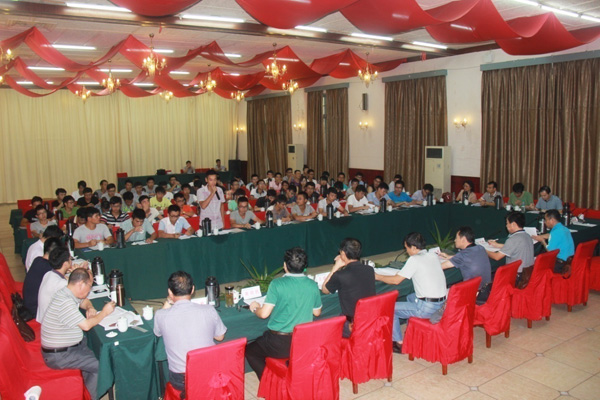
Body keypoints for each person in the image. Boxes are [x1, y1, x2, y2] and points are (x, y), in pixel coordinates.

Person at [245, 247, 322, 379]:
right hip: (303, 341)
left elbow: (264, 314)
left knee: (250, 351)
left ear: (285, 266)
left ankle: (268, 382)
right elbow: (317, 312)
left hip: (279, 343)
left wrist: (255, 308)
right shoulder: (312, 284)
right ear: (305, 266)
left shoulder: (277, 284)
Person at [41, 267, 115, 400]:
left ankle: (85, 390)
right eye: (89, 286)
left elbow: (83, 301)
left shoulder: (66, 292)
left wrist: (90, 307)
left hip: (66, 348)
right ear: (81, 284)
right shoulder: (65, 302)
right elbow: (86, 326)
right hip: (59, 355)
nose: (89, 291)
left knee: (97, 355)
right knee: (101, 366)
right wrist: (104, 312)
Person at [154, 271, 226, 398]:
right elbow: (220, 337)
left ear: (170, 292)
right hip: (209, 373)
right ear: (192, 289)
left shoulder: (160, 315)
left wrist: (168, 302)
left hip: (180, 379)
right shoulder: (209, 310)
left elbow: (157, 332)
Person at [375, 232, 447, 353]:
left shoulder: (414, 259)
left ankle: (398, 343)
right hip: (441, 304)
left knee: (389, 308)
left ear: (413, 247)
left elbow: (396, 280)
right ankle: (413, 331)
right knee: (409, 297)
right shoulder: (432, 255)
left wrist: (377, 276)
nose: (406, 251)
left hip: (427, 307)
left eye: (407, 248)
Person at [322, 238, 375, 337]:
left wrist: (336, 267)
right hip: (370, 319)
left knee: (327, 330)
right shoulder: (369, 270)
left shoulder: (340, 275)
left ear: (343, 253)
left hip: (352, 324)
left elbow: (325, 289)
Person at [37, 246, 90, 322]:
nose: (71, 262)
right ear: (65, 264)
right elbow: (81, 298)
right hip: (52, 323)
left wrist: (75, 273)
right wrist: (79, 273)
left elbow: (65, 279)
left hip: (43, 318)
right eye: (70, 259)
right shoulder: (62, 284)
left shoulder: (48, 274)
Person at [486, 211, 535, 282]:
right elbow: (516, 247)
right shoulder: (527, 236)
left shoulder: (513, 239)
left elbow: (497, 257)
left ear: (513, 224)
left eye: (507, 223)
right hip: (528, 273)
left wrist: (484, 250)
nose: (506, 226)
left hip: (516, 276)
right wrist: (497, 245)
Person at [22, 237, 63, 316]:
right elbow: (65, 282)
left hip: (29, 304)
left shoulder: (38, 260)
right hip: (36, 311)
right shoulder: (48, 269)